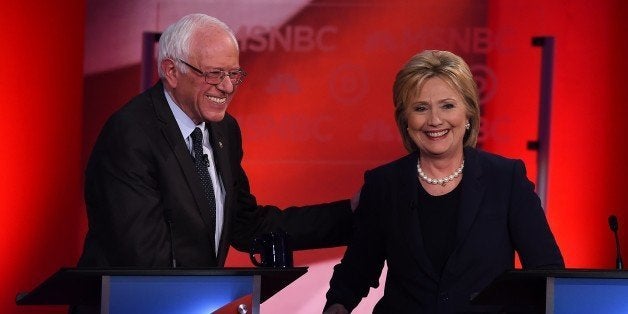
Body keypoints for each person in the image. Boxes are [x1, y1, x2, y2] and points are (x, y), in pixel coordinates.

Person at [77, 13, 353, 270]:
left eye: (233, 74)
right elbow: (141, 255)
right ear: (171, 71)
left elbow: (246, 226)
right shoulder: (130, 134)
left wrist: (353, 214)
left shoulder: (224, 130)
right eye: (214, 74)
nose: (227, 87)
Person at [323, 50, 564, 313]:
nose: (435, 120)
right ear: (405, 120)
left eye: (448, 105)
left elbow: (546, 272)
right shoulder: (383, 185)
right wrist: (338, 304)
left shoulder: (506, 179)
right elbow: (356, 270)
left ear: (469, 114)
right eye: (420, 108)